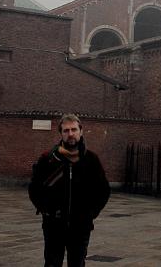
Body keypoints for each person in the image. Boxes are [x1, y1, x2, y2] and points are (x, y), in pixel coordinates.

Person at [29, 114, 110, 267]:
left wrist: (90, 214)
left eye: (74, 129)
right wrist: (46, 211)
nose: (70, 134)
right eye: (66, 130)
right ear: (61, 133)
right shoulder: (49, 159)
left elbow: (103, 190)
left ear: (81, 131)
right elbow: (34, 189)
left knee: (77, 263)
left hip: (81, 226)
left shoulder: (91, 160)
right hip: (54, 226)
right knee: (52, 263)